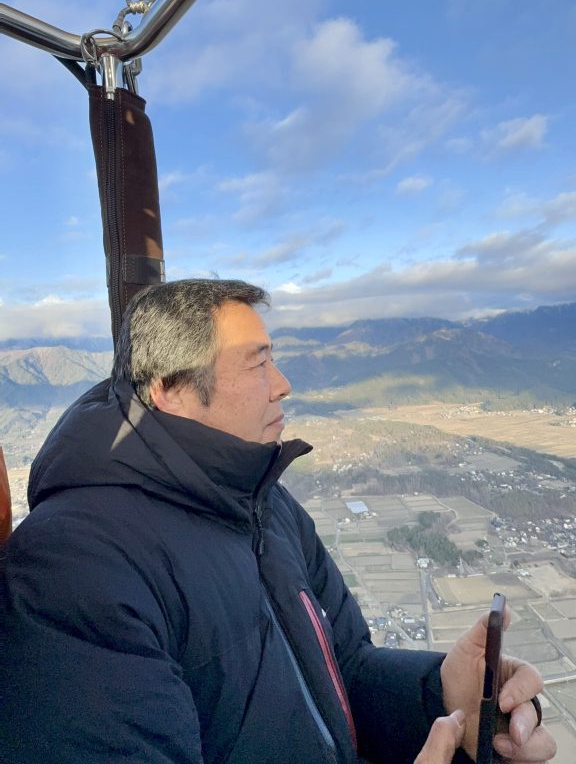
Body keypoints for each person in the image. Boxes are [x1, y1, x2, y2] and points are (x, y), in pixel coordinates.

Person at [0, 279, 556, 764]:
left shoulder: (266, 505)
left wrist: (440, 696)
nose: (283, 382)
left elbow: (343, 670)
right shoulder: (72, 568)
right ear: (169, 389)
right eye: (258, 363)